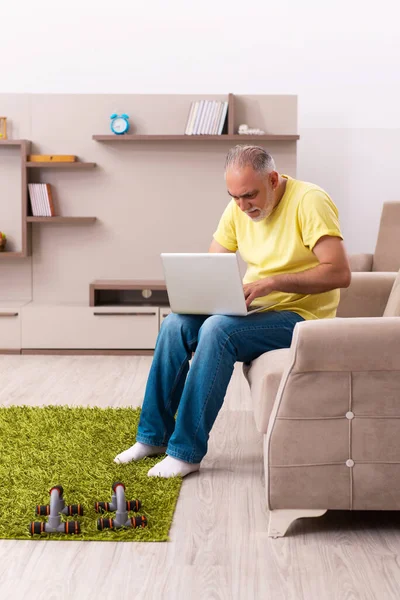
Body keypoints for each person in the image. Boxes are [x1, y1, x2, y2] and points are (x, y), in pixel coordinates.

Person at [114, 145, 351, 478]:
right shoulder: (238, 207)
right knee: (176, 325)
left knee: (218, 330)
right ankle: (153, 437)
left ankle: (186, 452)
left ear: (272, 179)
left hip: (302, 317)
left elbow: (339, 273)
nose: (243, 206)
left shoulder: (310, 201)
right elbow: (214, 263)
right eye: (235, 196)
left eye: (250, 195)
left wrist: (272, 283)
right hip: (254, 308)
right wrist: (205, 294)